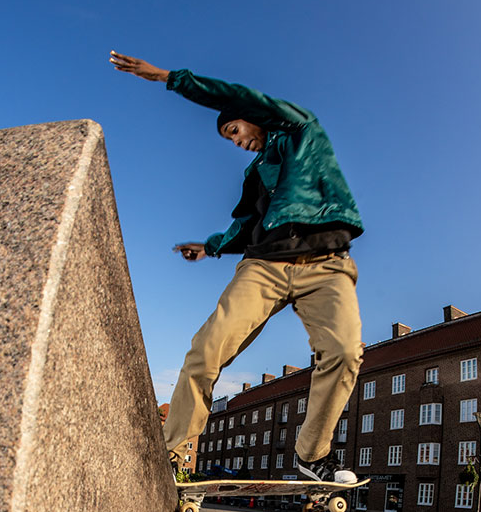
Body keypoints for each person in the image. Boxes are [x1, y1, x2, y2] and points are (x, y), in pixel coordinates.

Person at [110, 51, 364, 483]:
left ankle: (312, 456)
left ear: (252, 117)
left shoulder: (303, 130)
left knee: (342, 353)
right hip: (263, 268)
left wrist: (173, 79)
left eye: (235, 130)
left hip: (327, 266)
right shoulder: (256, 174)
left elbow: (241, 94)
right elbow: (244, 227)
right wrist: (209, 248)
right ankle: (170, 454)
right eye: (228, 138)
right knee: (207, 349)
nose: (235, 141)